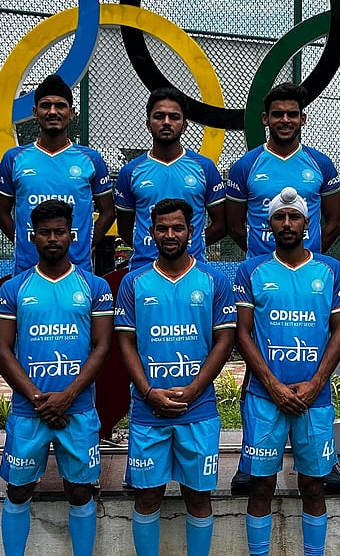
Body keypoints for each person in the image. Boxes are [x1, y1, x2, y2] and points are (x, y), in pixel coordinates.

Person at [0, 200, 114, 556]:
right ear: (32, 237)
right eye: (45, 232)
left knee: (80, 490)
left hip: (78, 409)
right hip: (30, 412)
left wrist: (68, 396)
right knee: (18, 490)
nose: (53, 239)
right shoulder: (14, 288)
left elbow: (102, 347)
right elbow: (1, 349)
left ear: (72, 236)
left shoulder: (95, 286)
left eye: (60, 232)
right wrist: (37, 398)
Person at [116, 198, 236, 556]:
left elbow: (224, 341)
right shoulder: (133, 282)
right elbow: (125, 342)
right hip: (147, 411)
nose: (170, 234)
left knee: (198, 495)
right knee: (148, 494)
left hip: (198, 410)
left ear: (192, 230)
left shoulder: (213, 279)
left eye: (177, 227)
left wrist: (195, 390)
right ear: (150, 232)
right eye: (162, 228)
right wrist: (148, 391)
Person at [235, 188, 340, 556]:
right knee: (261, 484)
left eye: (294, 216)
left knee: (314, 484)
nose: (287, 223)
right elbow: (242, 332)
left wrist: (317, 383)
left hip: (313, 399)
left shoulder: (329, 269)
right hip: (264, 398)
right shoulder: (251, 269)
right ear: (268, 224)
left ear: (307, 222)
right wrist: (271, 385)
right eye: (279, 217)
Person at [0, 74, 114, 273]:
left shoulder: (91, 159)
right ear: (35, 112)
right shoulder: (14, 158)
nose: (52, 111)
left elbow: (108, 212)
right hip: (27, 268)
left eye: (60, 105)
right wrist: (24, 241)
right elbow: (0, 212)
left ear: (72, 113)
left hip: (78, 268)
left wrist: (86, 244)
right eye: (45, 105)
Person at [115, 88, 227, 271]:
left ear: (184, 125)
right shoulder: (130, 171)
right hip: (143, 270)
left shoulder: (205, 168)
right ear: (148, 123)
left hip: (194, 269)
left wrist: (189, 243)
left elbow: (221, 225)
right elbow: (125, 229)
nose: (166, 122)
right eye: (159, 116)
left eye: (174, 117)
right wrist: (153, 246)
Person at [226, 82, 340, 257]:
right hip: (261, 268)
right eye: (278, 114)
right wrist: (261, 256)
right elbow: (235, 227)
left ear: (302, 119)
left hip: (308, 268)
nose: (285, 120)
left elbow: (335, 222)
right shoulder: (245, 165)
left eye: (292, 114)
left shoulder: (321, 163)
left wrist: (309, 255)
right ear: (265, 118)